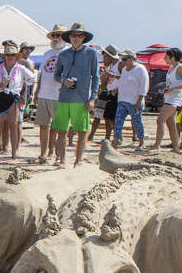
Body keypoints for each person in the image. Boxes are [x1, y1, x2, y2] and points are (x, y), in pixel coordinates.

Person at [52, 23, 100, 168]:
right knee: (61, 130)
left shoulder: (91, 53)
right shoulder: (63, 54)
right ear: (69, 37)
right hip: (64, 97)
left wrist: (93, 98)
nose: (76, 38)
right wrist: (63, 80)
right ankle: (61, 160)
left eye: (79, 35)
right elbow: (56, 74)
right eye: (73, 35)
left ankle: (78, 161)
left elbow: (96, 77)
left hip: (82, 98)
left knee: (82, 131)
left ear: (84, 37)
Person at [0, 43, 36, 158]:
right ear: (4, 56)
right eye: (8, 54)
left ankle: (14, 152)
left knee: (14, 125)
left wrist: (25, 83)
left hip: (13, 96)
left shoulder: (20, 68)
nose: (10, 56)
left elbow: (33, 78)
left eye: (13, 54)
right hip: (0, 96)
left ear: (16, 56)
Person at [33, 24, 68, 163]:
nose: (55, 38)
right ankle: (43, 154)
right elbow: (42, 73)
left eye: (58, 35)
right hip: (44, 94)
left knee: (59, 128)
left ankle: (59, 156)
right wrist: (37, 91)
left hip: (59, 95)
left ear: (64, 37)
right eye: (53, 35)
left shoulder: (68, 52)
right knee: (43, 126)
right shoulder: (47, 53)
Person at [148, 47, 182, 155]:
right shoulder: (171, 67)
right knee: (171, 123)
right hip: (169, 97)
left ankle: (157, 146)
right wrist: (168, 89)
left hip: (176, 98)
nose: (164, 58)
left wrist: (173, 89)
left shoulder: (180, 68)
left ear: (173, 57)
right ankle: (176, 147)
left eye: (166, 56)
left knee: (160, 120)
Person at [110, 50, 148, 150]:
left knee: (137, 122)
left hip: (134, 101)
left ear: (132, 58)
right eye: (122, 59)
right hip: (122, 99)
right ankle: (115, 141)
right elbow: (123, 81)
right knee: (118, 120)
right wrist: (116, 89)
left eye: (125, 59)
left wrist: (140, 100)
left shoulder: (140, 69)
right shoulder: (124, 70)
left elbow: (144, 85)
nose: (122, 61)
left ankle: (141, 142)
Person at [88, 45, 121, 142]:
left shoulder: (119, 64)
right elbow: (104, 84)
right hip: (105, 93)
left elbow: (124, 78)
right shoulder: (110, 66)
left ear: (109, 56)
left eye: (105, 57)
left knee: (110, 117)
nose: (103, 59)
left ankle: (110, 138)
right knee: (99, 116)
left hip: (114, 94)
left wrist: (116, 87)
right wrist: (104, 76)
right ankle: (93, 136)